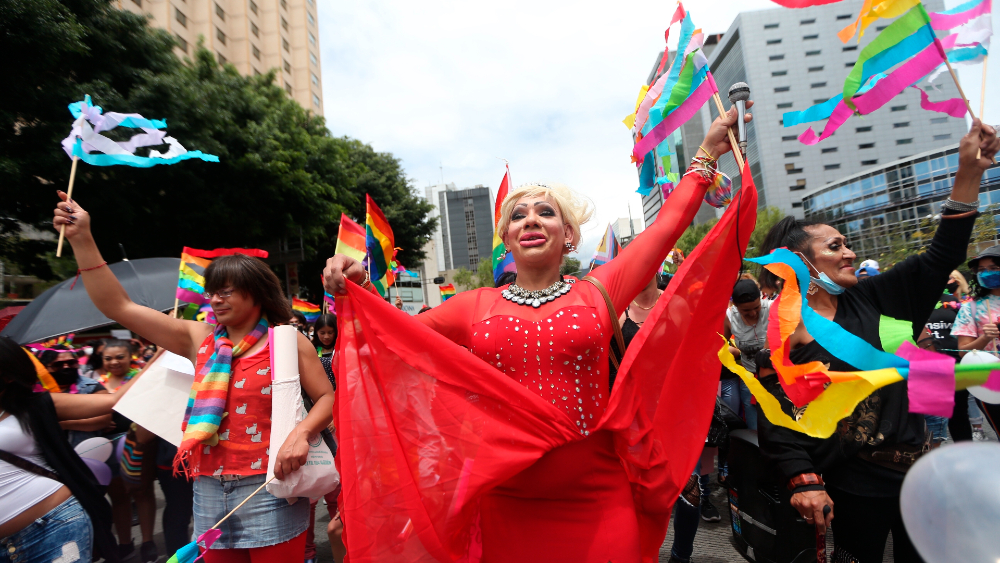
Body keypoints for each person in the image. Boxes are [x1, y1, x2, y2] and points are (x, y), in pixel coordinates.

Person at [322, 101, 755, 561]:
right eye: (517, 216)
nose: (530, 219)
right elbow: (391, 340)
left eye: (544, 212)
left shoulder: (599, 290)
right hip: (504, 501)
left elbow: (667, 227)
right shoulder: (472, 307)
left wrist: (706, 155)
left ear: (568, 235)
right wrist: (358, 288)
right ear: (507, 240)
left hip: (599, 496)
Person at [753, 120, 998, 563]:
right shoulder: (787, 332)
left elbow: (941, 255)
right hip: (852, 484)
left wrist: (969, 174)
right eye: (834, 247)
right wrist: (803, 478)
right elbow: (778, 417)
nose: (849, 252)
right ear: (801, 266)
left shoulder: (875, 295)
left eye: (847, 243)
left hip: (922, 473)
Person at [52, 197, 334, 562]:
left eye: (225, 291)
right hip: (208, 488)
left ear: (258, 293)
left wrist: (301, 435)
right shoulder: (197, 338)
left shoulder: (286, 341)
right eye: (212, 291)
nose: (214, 299)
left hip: (272, 486)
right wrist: (82, 239)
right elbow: (118, 307)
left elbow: (327, 398)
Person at [0, 335, 147, 563]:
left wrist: (165, 350)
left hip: (54, 526)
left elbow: (114, 400)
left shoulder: (35, 405)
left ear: (7, 374)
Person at [950, 244, 1000, 436]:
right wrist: (985, 338)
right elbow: (963, 351)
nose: (987, 273)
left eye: (994, 268)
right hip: (991, 381)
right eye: (981, 270)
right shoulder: (971, 308)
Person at [36, 346, 111, 448]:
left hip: (84, 452)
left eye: (71, 363)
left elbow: (103, 420)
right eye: (58, 364)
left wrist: (64, 424)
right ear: (45, 368)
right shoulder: (34, 391)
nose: (66, 367)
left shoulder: (92, 387)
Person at [723, 278, 768, 431]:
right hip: (749, 380)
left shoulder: (775, 309)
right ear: (736, 306)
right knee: (754, 427)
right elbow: (719, 343)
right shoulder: (729, 317)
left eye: (757, 307)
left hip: (776, 379)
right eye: (746, 311)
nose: (753, 313)